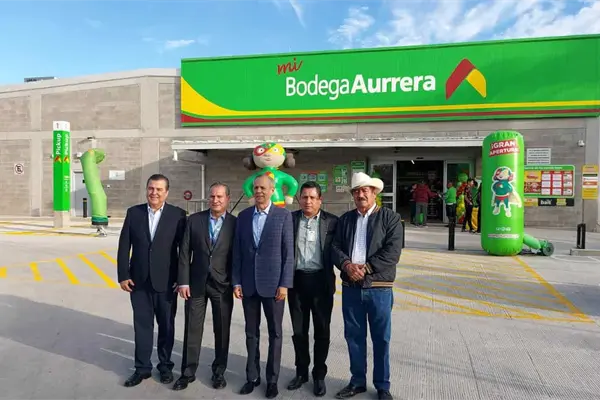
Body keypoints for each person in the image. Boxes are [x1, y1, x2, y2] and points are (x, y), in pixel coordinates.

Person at [331, 172, 403, 400]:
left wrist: (367, 268)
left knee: (381, 339)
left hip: (379, 288)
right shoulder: (345, 219)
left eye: (364, 190)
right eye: (356, 191)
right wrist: (346, 265)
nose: (360, 195)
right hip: (351, 288)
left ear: (374, 193)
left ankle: (382, 386)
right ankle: (357, 382)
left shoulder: (390, 218)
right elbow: (335, 247)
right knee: (354, 337)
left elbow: (393, 252)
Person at [116, 174, 187, 387]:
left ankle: (165, 367)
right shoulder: (134, 213)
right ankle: (142, 368)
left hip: (167, 283)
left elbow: (183, 251)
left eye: (158, 189)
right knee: (142, 327)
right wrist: (123, 275)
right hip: (138, 282)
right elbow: (124, 246)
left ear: (166, 192)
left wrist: (181, 278)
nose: (154, 193)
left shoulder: (178, 215)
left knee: (166, 327)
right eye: (151, 188)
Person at [232, 174, 294, 399]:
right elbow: (237, 252)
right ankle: (252, 377)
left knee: (275, 333)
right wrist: (236, 281)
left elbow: (288, 253)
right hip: (248, 285)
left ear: (272, 190)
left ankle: (272, 380)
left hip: (274, 286)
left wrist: (285, 284)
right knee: (251, 333)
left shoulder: (283, 215)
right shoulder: (243, 216)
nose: (258, 191)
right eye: (256, 188)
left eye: (263, 188)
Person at [173, 182, 237, 391]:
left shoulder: (235, 224)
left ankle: (219, 373)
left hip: (222, 285)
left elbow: (237, 257)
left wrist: (235, 282)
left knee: (222, 330)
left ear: (227, 199)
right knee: (192, 329)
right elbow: (184, 252)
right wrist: (183, 281)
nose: (215, 200)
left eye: (219, 197)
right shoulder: (194, 220)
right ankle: (187, 372)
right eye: (212, 196)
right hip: (196, 284)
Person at [286, 181, 338, 397]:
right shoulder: (289, 220)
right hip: (296, 282)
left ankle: (319, 375)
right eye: (304, 197)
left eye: (312, 197)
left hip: (321, 283)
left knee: (322, 332)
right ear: (299, 199)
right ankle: (301, 372)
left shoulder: (332, 222)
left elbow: (339, 250)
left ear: (320, 200)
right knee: (299, 332)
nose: (308, 201)